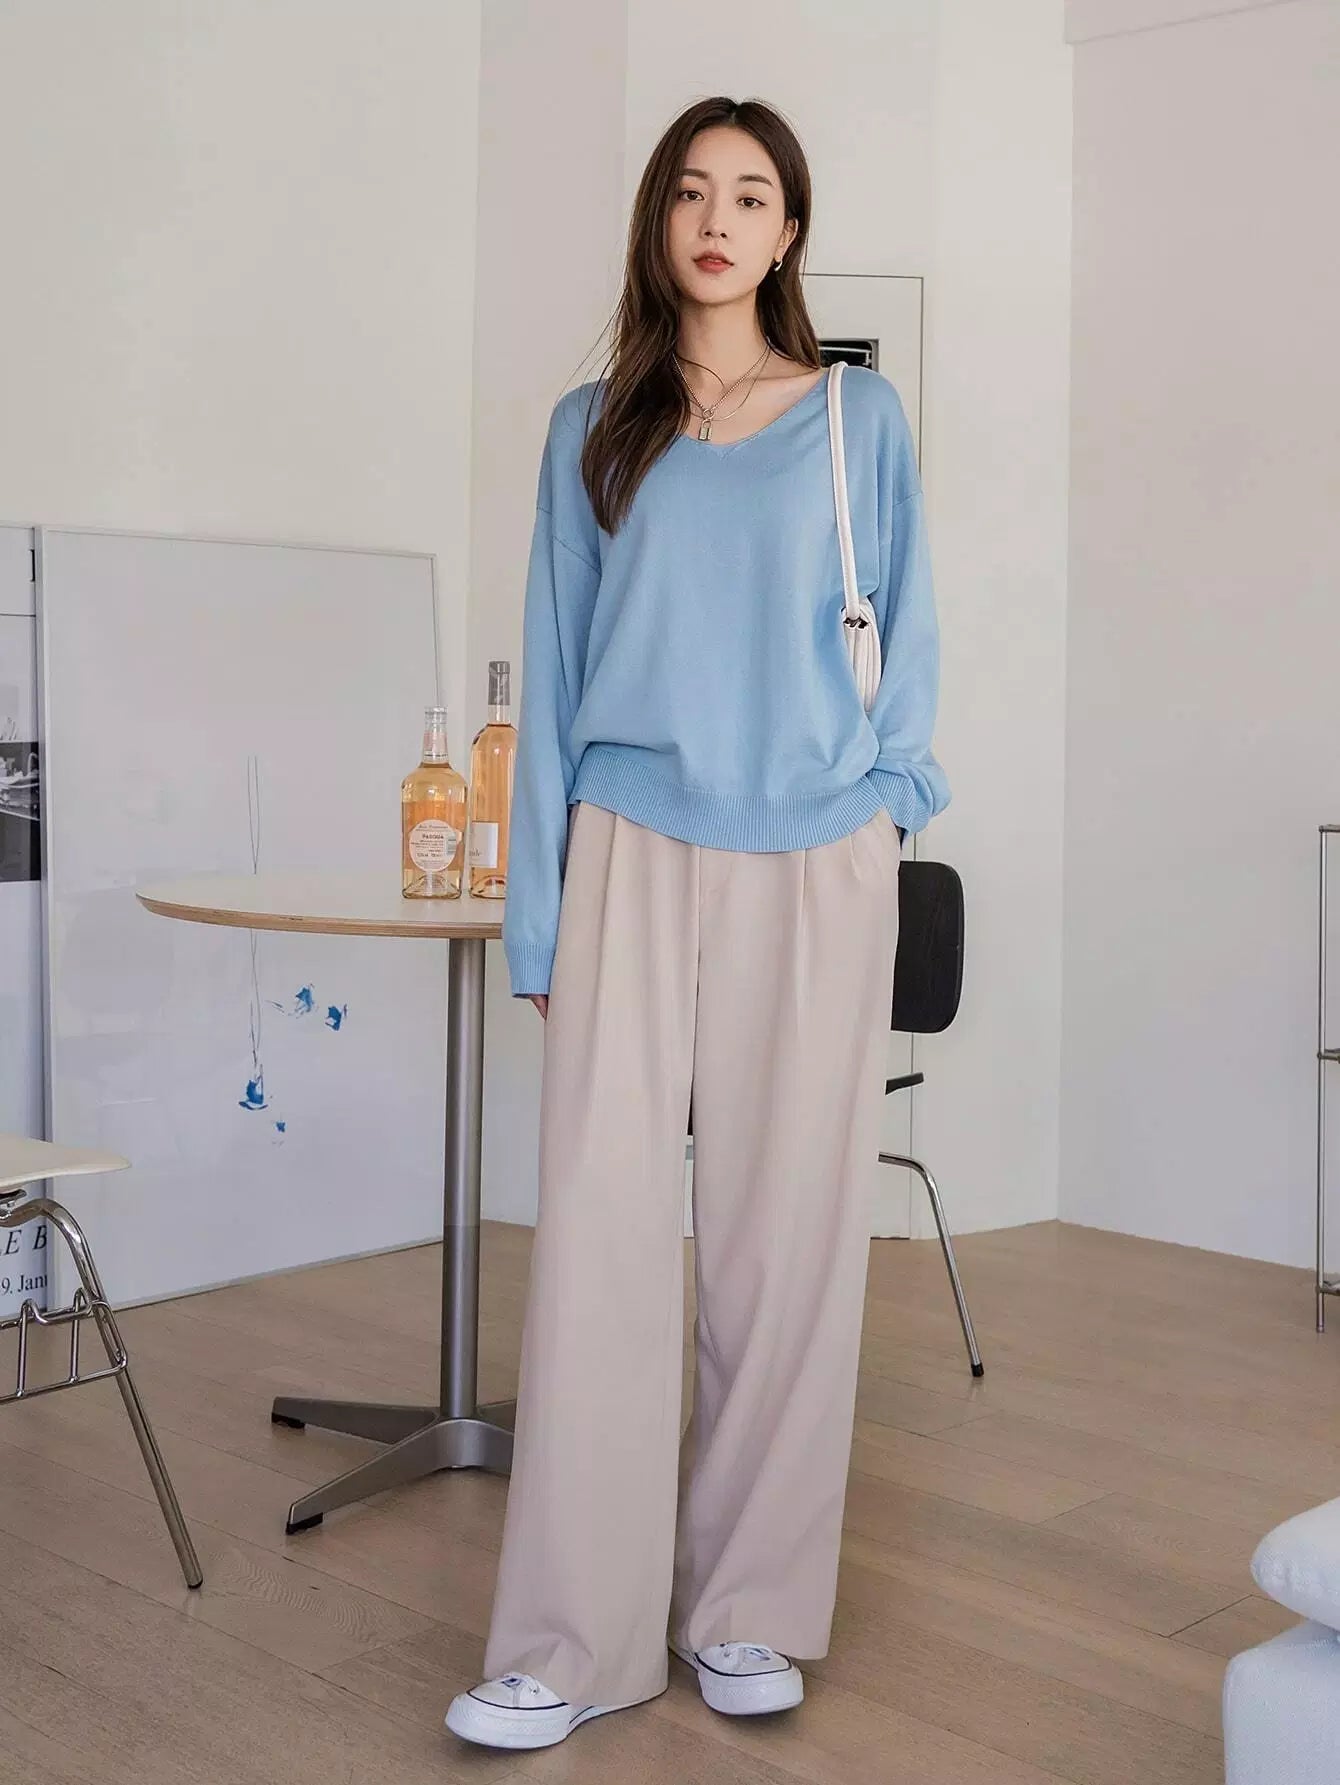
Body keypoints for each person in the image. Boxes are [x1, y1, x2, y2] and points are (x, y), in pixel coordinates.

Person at [445, 93, 949, 1752]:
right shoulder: (593, 427)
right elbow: (554, 669)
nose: (717, 219)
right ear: (658, 221)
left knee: (782, 1243)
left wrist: (886, 805)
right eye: (689, 190)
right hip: (628, 842)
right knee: (598, 1239)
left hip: (817, 853)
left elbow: (911, 631)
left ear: (788, 230)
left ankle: (747, 1611)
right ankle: (569, 1641)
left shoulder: (859, 416)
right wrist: (538, 922)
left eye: (749, 195)